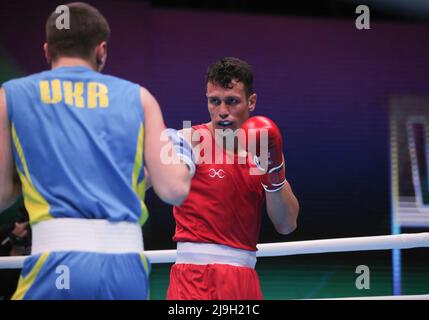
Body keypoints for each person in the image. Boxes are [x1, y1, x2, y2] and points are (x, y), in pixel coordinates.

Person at [0, 2, 193, 299]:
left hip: (56, 262)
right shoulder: (139, 98)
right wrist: (180, 151)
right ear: (101, 51)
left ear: (47, 51)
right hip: (125, 268)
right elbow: (174, 189)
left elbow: (1, 195)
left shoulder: (11, 96)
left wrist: (26, 178)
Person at [165, 57, 300, 299]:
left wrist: (273, 169)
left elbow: (286, 224)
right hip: (193, 279)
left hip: (243, 278)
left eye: (232, 101)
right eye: (214, 101)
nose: (222, 111)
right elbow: (164, 184)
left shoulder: (262, 150)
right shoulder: (189, 139)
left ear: (252, 101)